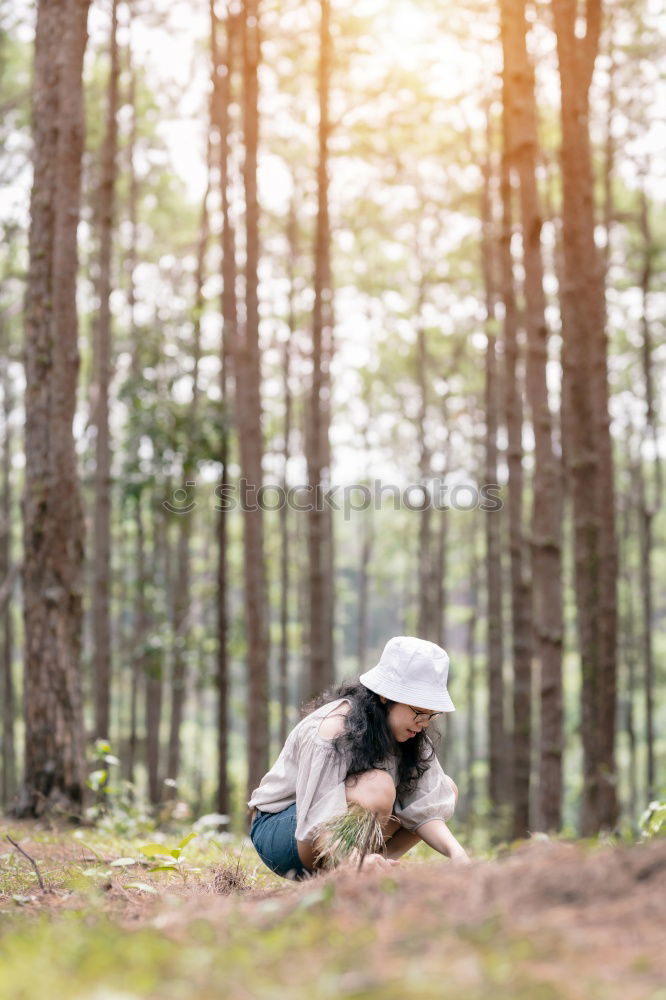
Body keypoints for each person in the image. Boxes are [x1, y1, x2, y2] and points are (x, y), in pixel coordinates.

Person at [248, 635, 470, 879]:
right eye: (418, 711)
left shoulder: (411, 733)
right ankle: (354, 866)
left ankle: (376, 868)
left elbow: (427, 807)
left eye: (432, 715)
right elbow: (317, 819)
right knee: (378, 786)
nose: (424, 723)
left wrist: (457, 854)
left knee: (445, 788)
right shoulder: (332, 730)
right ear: (386, 696)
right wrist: (352, 858)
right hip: (286, 830)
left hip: (332, 832)